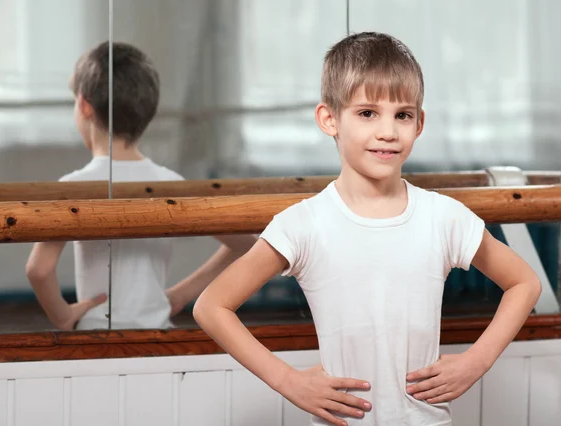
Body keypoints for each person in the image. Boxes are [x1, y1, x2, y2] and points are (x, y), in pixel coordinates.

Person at [192, 32, 541, 426]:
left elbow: (524, 282)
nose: (388, 131)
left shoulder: (444, 217)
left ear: (419, 122)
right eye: (367, 113)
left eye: (403, 115)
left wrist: (475, 362)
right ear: (329, 119)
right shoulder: (304, 223)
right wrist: (287, 380)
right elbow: (211, 306)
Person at [26, 41, 256, 331]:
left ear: (84, 106)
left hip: (95, 335)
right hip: (158, 334)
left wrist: (62, 315)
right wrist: (181, 294)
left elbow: (39, 270)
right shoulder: (171, 184)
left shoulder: (72, 187)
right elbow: (247, 246)